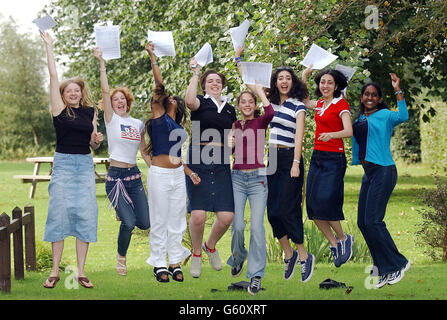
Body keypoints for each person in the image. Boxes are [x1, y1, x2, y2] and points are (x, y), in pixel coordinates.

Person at [234, 46, 315, 283]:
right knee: (272, 211)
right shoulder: (268, 102)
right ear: (275, 81)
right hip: (272, 160)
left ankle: (303, 256)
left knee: (288, 209)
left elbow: (299, 135)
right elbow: (250, 84)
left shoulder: (298, 105)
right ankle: (288, 253)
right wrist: (238, 59)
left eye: (288, 78)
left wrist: (297, 162)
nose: (284, 81)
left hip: (291, 158)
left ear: (293, 83)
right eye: (280, 78)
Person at [41, 31, 103, 289]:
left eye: (77, 90)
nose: (74, 93)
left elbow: (92, 142)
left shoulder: (90, 112)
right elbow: (54, 76)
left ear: (81, 93)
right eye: (69, 91)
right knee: (58, 214)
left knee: (85, 215)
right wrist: (49, 46)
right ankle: (55, 271)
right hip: (64, 164)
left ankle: (80, 271)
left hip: (84, 165)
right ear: (63, 94)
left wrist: (96, 141)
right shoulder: (58, 111)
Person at [144, 42, 201, 283]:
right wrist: (152, 56)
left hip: (178, 175)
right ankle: (158, 263)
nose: (170, 98)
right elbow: (159, 85)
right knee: (159, 218)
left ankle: (175, 261)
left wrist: (188, 172)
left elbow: (178, 156)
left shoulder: (178, 126)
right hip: (159, 174)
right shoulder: (158, 119)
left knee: (177, 219)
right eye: (166, 97)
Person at [93, 47, 151, 277]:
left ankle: (123, 210)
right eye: (115, 99)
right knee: (128, 223)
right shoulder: (111, 120)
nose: (119, 101)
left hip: (134, 178)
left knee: (144, 224)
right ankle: (121, 257)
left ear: (128, 102)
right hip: (115, 179)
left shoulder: (137, 124)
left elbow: (144, 152)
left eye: (122, 99)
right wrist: (102, 63)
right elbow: (105, 90)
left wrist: (158, 168)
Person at [352, 73, 410, 288]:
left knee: (374, 221)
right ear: (361, 97)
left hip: (384, 170)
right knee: (363, 222)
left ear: (379, 98)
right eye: (366, 94)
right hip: (369, 173)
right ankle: (384, 270)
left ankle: (399, 263)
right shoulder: (359, 119)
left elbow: (403, 116)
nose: (370, 97)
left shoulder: (386, 114)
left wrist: (398, 89)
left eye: (374, 95)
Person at [185, 56, 237, 278]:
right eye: (210, 81)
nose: (215, 84)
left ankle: (210, 245)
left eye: (218, 81)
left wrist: (233, 144)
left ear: (222, 86)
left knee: (226, 217)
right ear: (205, 85)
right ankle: (197, 253)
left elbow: (233, 134)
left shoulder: (230, 108)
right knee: (198, 215)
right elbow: (188, 102)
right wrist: (196, 72)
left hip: (222, 161)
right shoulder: (200, 102)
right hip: (199, 158)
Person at [302, 67, 354, 268]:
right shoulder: (321, 104)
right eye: (322, 82)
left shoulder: (341, 104)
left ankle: (343, 238)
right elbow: (305, 102)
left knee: (325, 201)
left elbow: (348, 131)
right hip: (317, 157)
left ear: (336, 85)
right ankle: (334, 244)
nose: (325, 86)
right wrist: (305, 77)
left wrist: (332, 135)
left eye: (329, 82)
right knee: (312, 207)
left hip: (334, 158)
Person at [226, 83, 274, 295]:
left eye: (250, 101)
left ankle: (256, 275)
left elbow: (270, 110)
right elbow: (228, 150)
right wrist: (230, 142)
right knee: (236, 225)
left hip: (257, 180)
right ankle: (238, 257)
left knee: (256, 227)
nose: (247, 104)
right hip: (236, 178)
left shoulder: (261, 121)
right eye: (243, 102)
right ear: (238, 105)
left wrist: (258, 90)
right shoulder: (235, 124)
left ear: (255, 105)